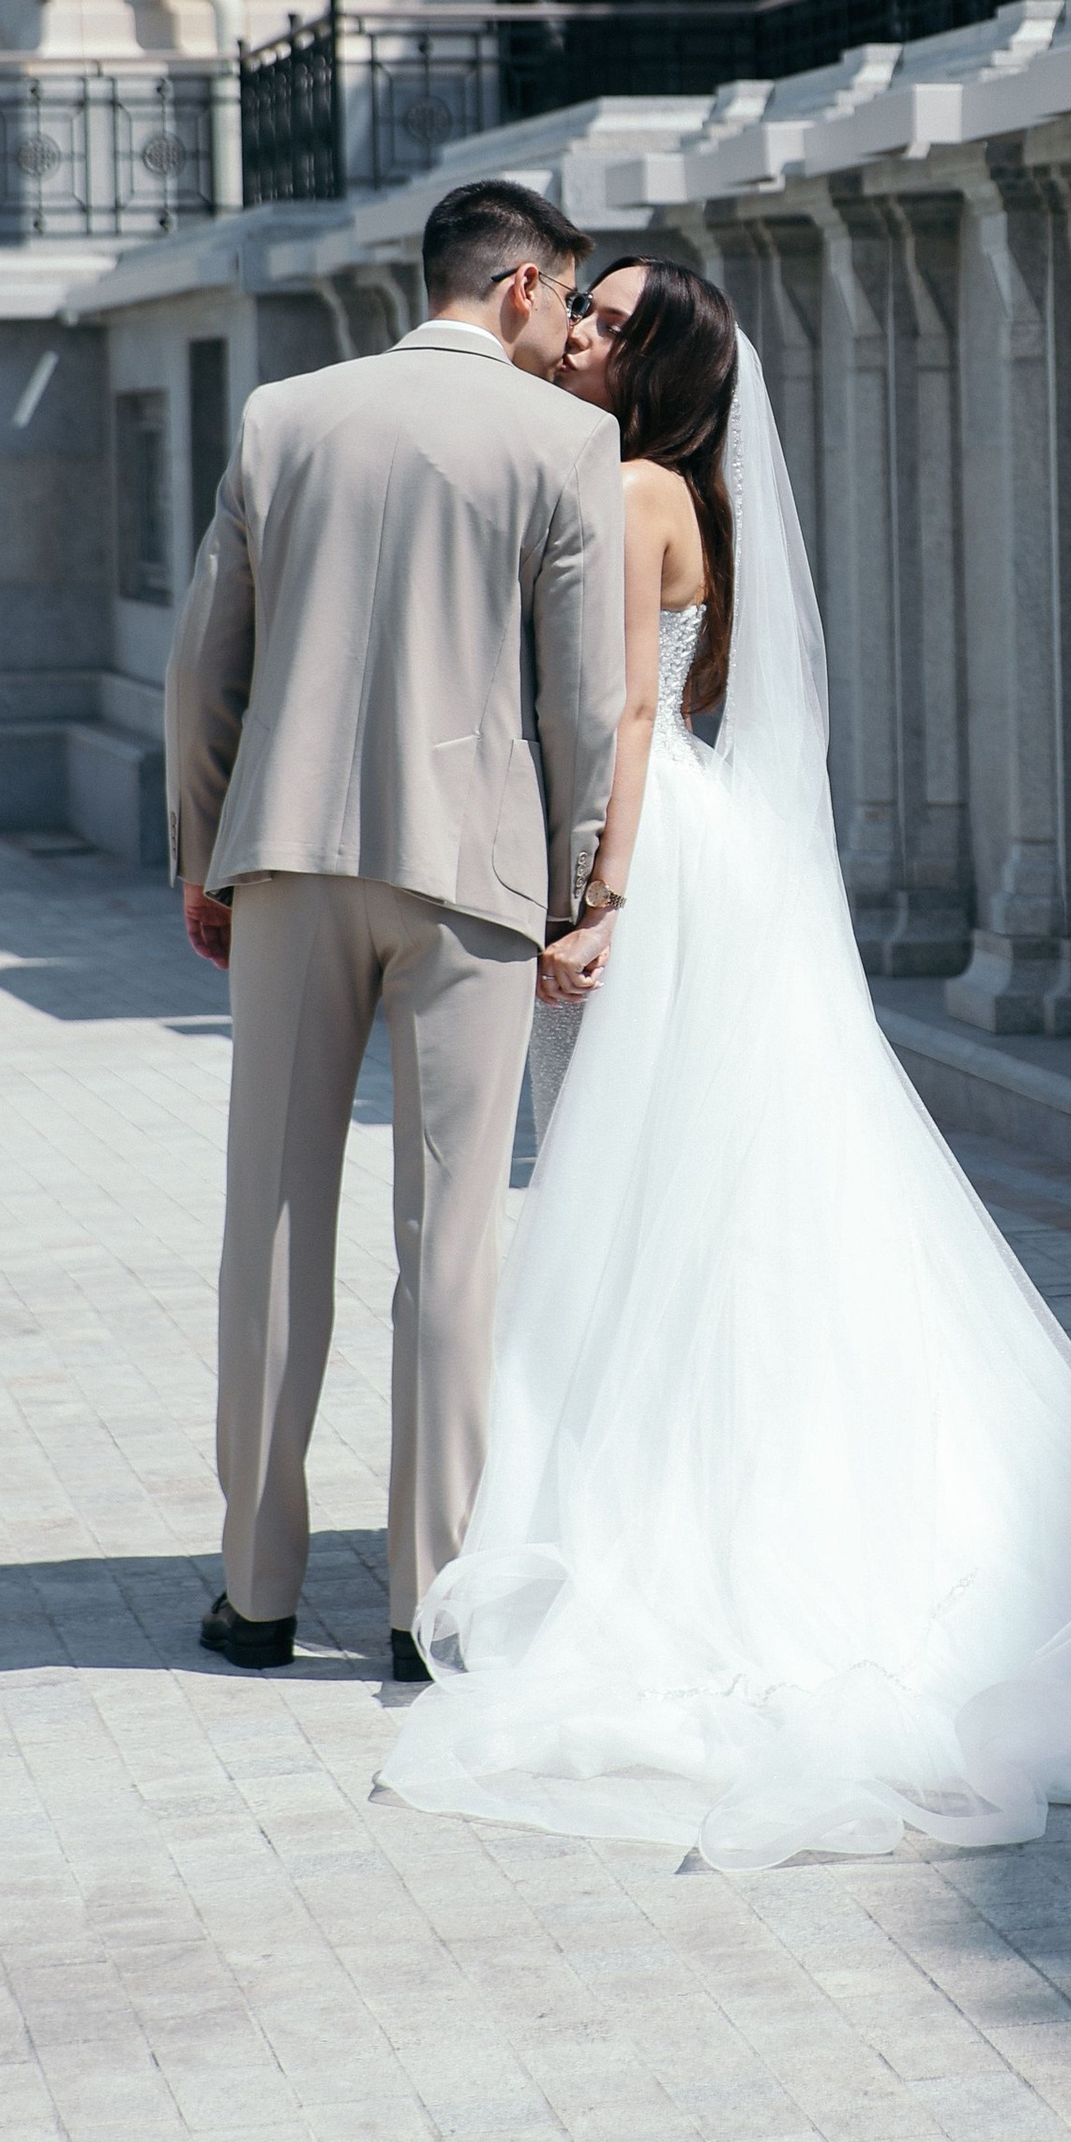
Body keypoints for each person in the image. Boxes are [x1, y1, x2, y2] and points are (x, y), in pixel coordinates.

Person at [380, 256, 1071, 1868]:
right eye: (577, 304)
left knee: (640, 1195)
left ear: (653, 363)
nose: (574, 326)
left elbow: (631, 719)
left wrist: (596, 902)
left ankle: (673, 1525)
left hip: (649, 872)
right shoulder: (665, 479)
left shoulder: (639, 485)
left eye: (604, 318)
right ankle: (675, 1490)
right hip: (693, 862)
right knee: (680, 1202)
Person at [164, 178, 628, 1686]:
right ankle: (431, 1608)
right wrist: (577, 884)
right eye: (567, 299)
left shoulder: (283, 417)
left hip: (290, 858)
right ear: (517, 288)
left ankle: (255, 1591)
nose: (572, 331)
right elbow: (578, 698)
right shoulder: (566, 439)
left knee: (272, 1226)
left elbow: (200, 672)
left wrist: (205, 853)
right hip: (473, 876)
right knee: (453, 1244)